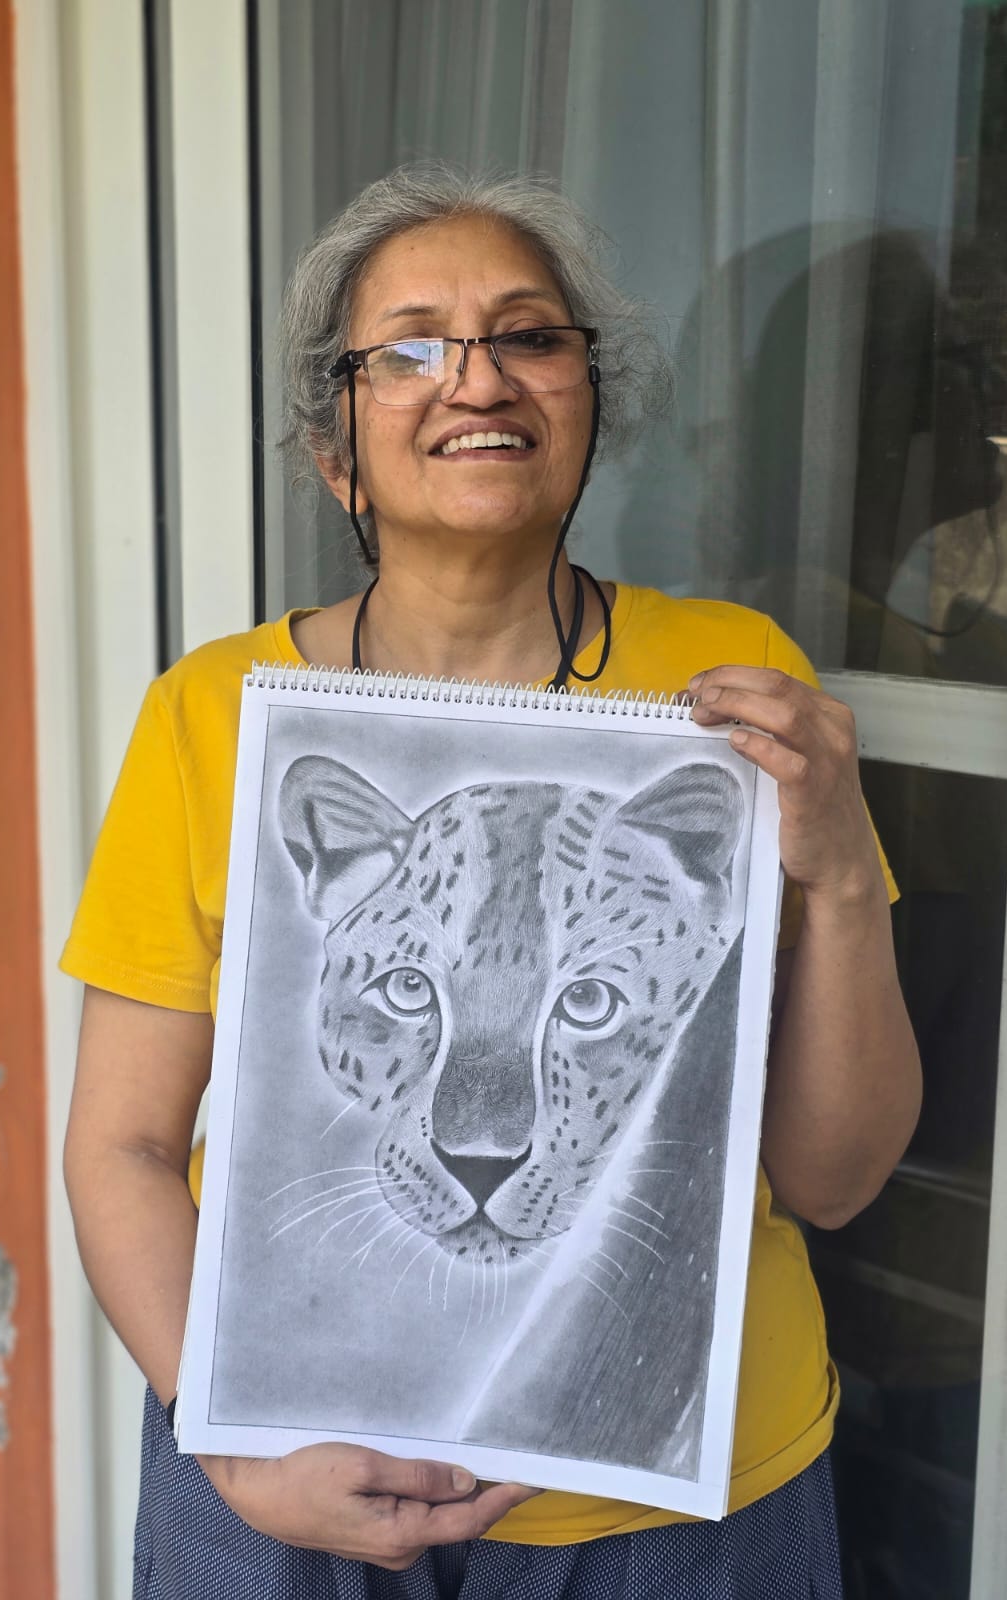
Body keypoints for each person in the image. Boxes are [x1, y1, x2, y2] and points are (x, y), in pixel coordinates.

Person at [62, 165, 921, 1599]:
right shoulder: (217, 715)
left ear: (589, 403)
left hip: (678, 1499)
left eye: (527, 335)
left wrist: (835, 877)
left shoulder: (730, 691)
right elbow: (124, 1147)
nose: (475, 377)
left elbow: (836, 1182)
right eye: (408, 348)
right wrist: (229, 1441)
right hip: (282, 1472)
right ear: (334, 448)